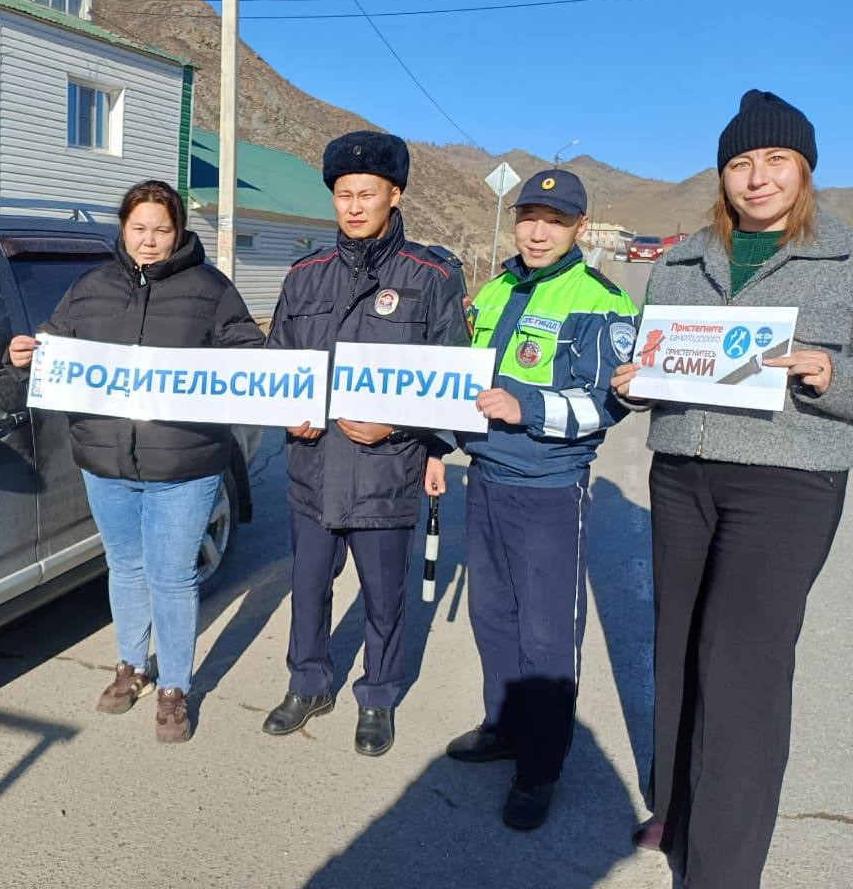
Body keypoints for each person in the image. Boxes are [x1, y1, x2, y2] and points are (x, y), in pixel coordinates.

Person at [612, 90, 852, 888]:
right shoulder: (682, 261)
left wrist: (830, 373)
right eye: (741, 163)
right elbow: (654, 363)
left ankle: (722, 868)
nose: (757, 178)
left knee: (742, 665)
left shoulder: (845, 259)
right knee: (677, 646)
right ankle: (676, 806)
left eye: (775, 160)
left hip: (787, 484)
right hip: (682, 470)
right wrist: (633, 384)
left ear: (805, 169)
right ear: (723, 175)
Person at [7, 179, 263, 743]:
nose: (149, 241)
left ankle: (173, 687)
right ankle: (131, 666)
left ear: (179, 232)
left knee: (171, 577)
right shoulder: (92, 286)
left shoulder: (210, 289)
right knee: (124, 568)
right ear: (123, 228)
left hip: (185, 462)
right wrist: (27, 351)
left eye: (162, 230)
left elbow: (246, 354)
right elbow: (55, 341)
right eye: (139, 229)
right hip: (105, 461)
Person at [261, 131, 470, 756]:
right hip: (313, 469)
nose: (353, 206)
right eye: (343, 195)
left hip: (386, 469)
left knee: (385, 597)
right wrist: (287, 412)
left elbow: (452, 378)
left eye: (367, 194)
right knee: (308, 588)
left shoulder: (430, 278)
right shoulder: (304, 277)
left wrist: (401, 428)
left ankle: (378, 695)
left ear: (395, 195)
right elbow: (278, 364)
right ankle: (309, 682)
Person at [446, 168, 639, 830]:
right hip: (485, 479)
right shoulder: (495, 288)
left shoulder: (602, 300)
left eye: (553, 221)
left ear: (578, 228)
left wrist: (524, 405)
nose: (536, 230)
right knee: (491, 618)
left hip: (549, 491)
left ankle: (541, 767)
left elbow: (606, 406)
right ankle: (504, 727)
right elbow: (462, 380)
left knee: (547, 636)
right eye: (529, 215)